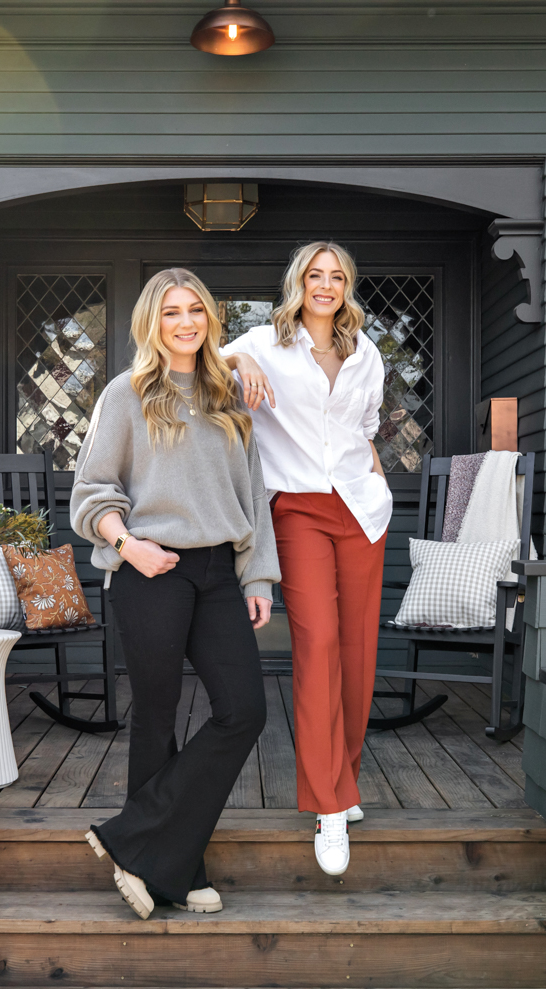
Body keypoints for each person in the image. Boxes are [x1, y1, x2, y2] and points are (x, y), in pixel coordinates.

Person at [71, 267, 278, 919]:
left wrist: (258, 574)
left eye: (195, 310)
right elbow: (92, 492)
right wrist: (129, 545)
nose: (185, 322)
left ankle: (132, 841)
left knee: (244, 710)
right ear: (150, 323)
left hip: (219, 570)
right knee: (157, 715)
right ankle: (178, 871)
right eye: (170, 312)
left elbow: (254, 495)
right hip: (150, 569)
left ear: (210, 320)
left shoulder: (229, 396)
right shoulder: (126, 395)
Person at [222, 241, 391, 877]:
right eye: (315, 275)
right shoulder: (265, 341)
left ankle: (340, 778)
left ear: (347, 286)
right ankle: (327, 806)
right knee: (317, 644)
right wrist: (239, 357)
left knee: (356, 650)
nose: (326, 285)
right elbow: (202, 356)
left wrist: (377, 488)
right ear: (299, 282)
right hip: (296, 509)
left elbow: (366, 429)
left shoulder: (366, 353)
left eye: (337, 276)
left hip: (360, 511)